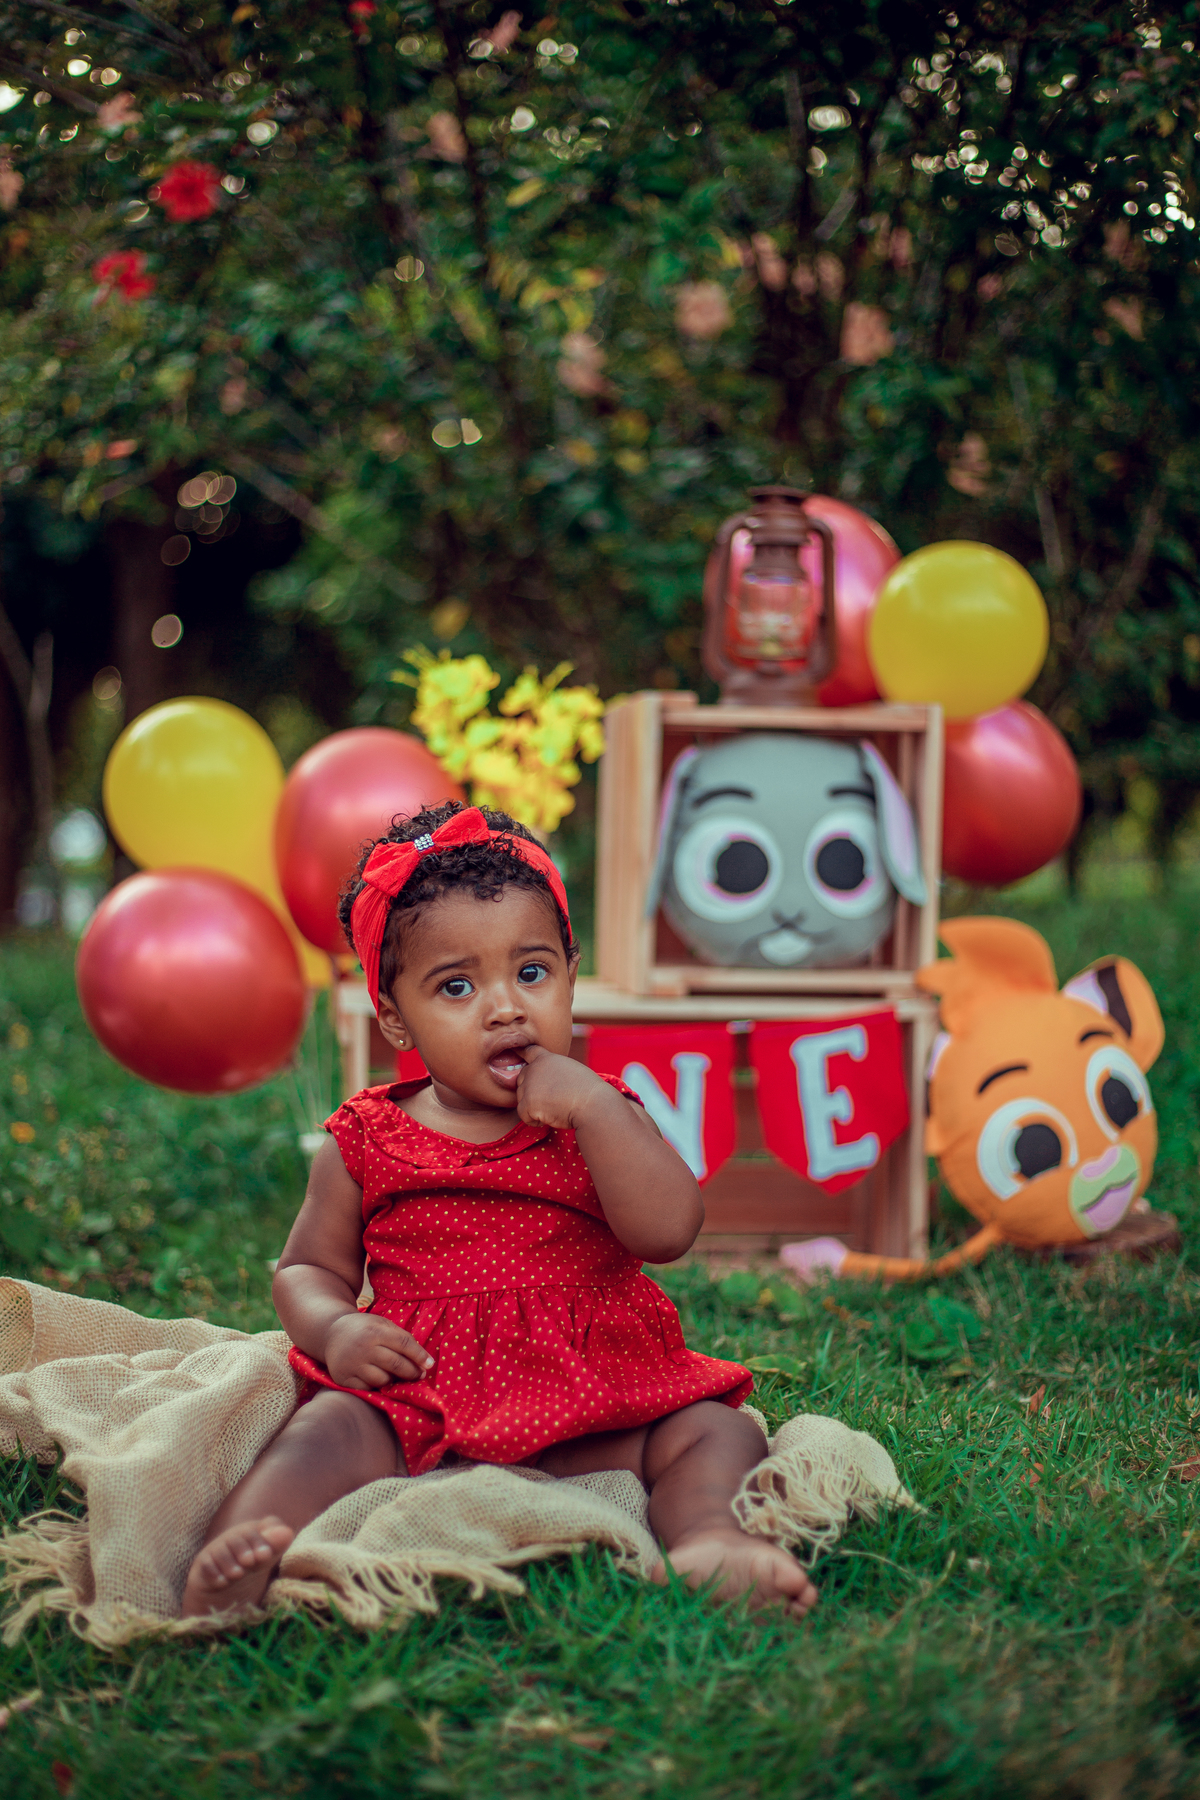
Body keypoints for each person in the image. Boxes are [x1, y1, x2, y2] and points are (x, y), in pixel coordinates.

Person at [181, 802, 817, 1620]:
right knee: (326, 1430)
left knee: (718, 1431)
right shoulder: (367, 1136)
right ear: (395, 1017)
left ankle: (709, 1539)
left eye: (532, 972)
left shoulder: (603, 1114)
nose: (506, 1008)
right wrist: (335, 1330)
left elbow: (669, 1233)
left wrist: (596, 1110)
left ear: (571, 975)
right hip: (422, 1401)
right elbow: (307, 1268)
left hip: (596, 1399)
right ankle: (240, 1549)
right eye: (457, 986)